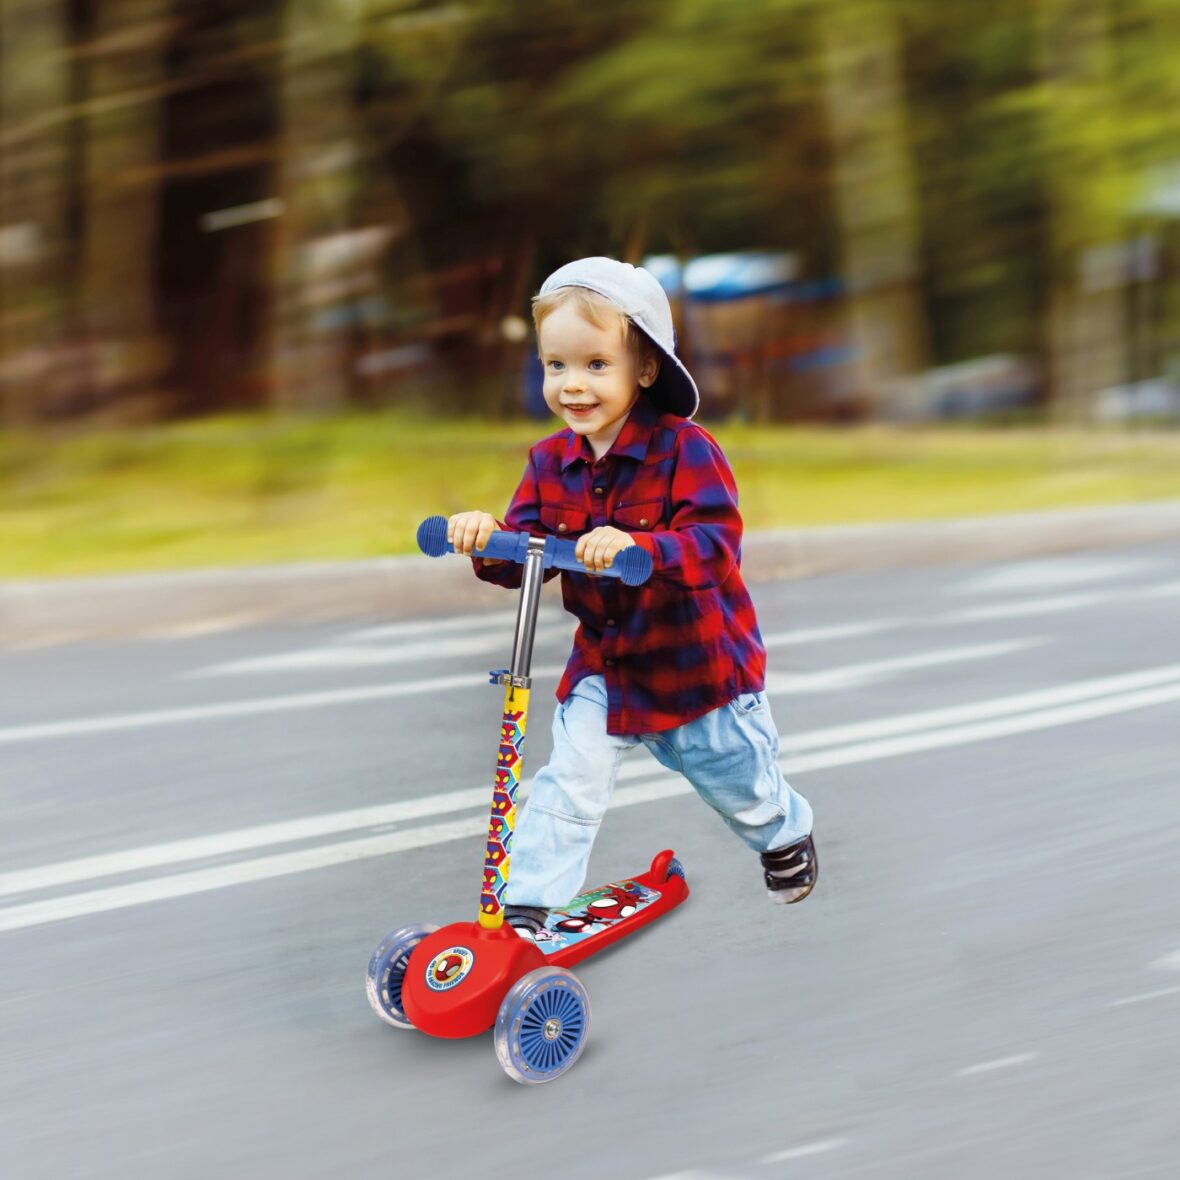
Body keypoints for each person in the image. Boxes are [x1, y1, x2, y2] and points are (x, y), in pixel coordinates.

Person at [447, 257, 815, 936]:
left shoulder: (687, 450)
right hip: (607, 666)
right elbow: (523, 556)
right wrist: (485, 539)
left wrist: (640, 549)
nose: (572, 385)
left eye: (594, 364)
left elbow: (715, 546)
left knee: (740, 788)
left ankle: (784, 832)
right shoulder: (547, 461)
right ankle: (525, 911)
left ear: (644, 369)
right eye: (556, 366)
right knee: (569, 779)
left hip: (698, 669)